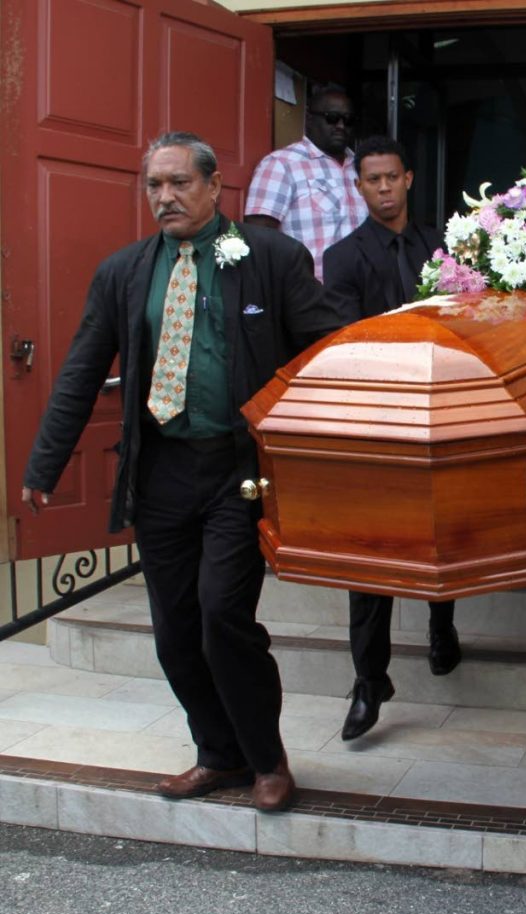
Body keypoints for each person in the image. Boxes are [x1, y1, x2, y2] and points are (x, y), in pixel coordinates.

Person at [22, 132, 343, 811]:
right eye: (154, 186)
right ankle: (217, 754)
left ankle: (267, 761)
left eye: (179, 183)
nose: (165, 197)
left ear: (213, 185)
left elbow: (327, 344)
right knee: (173, 632)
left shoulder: (271, 258)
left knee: (223, 616)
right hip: (162, 472)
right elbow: (82, 371)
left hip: (237, 471)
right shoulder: (124, 272)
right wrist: (45, 464)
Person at [322, 136, 461, 742]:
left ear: (408, 179)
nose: (382, 187)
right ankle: (368, 683)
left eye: (390, 177)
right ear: (360, 187)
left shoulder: (443, 244)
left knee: (443, 534)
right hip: (377, 420)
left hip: (443, 413)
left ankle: (442, 627)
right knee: (370, 556)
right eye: (370, 179)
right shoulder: (344, 255)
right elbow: (347, 338)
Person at [244, 82, 367, 281]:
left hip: (363, 291)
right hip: (310, 290)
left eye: (348, 120)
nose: (341, 126)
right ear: (309, 119)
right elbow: (258, 236)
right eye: (332, 118)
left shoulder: (362, 168)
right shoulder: (281, 164)